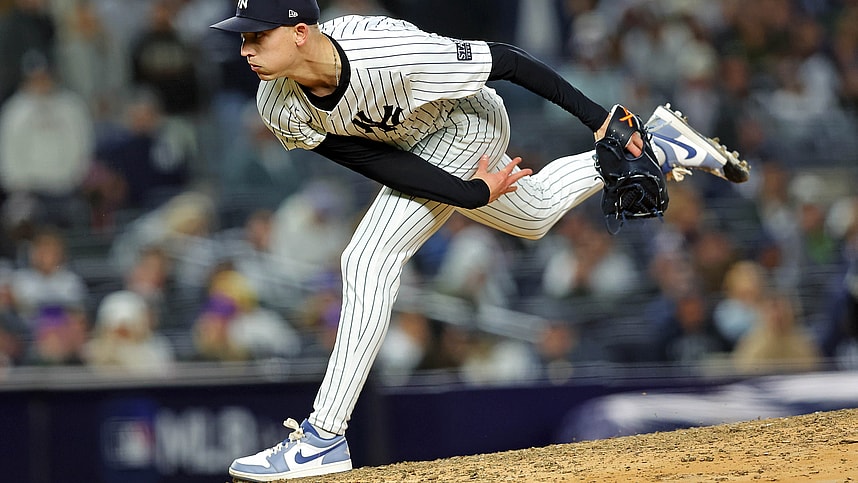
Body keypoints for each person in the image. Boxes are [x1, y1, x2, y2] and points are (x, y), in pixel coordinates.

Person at [210, 1, 748, 479]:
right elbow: (372, 159)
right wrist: (467, 194)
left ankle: (324, 437)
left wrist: (602, 120)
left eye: (257, 35)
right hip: (415, 148)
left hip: (467, 121)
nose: (246, 48)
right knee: (534, 215)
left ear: (300, 31)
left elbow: (509, 60)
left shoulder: (390, 50)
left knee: (367, 257)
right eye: (242, 36)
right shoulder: (277, 102)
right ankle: (661, 145)